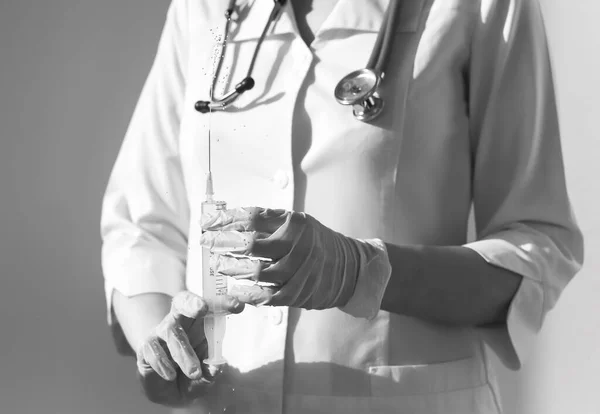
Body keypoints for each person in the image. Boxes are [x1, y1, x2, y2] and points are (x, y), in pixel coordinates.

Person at [100, 0, 584, 413]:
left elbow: (538, 248)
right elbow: (140, 227)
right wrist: (161, 345)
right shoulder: (204, 8)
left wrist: (360, 272)